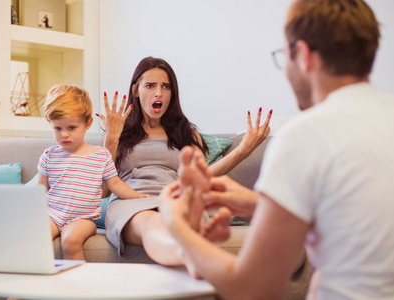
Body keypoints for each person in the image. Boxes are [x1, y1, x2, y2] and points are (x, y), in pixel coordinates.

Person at [158, 0, 394, 299]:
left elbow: (253, 288)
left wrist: (176, 226)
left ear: (302, 55)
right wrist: (260, 205)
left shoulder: (305, 135)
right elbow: (360, 219)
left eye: (283, 56)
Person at [95, 56, 272, 266]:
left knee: (180, 219)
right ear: (136, 90)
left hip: (175, 197)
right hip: (131, 202)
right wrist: (112, 137)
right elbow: (102, 191)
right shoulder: (118, 131)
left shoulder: (186, 133)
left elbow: (201, 176)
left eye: (166, 86)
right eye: (150, 85)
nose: (158, 92)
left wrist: (242, 151)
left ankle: (192, 250)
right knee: (153, 224)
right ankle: (193, 255)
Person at [38, 85, 147, 261]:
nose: (64, 134)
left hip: (83, 219)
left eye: (71, 127)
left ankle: (76, 287)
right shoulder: (49, 155)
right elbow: (39, 191)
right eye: (57, 128)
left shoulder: (101, 155)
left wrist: (136, 197)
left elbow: (115, 184)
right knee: (35, 236)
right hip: (53, 214)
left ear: (87, 123)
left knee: (70, 240)